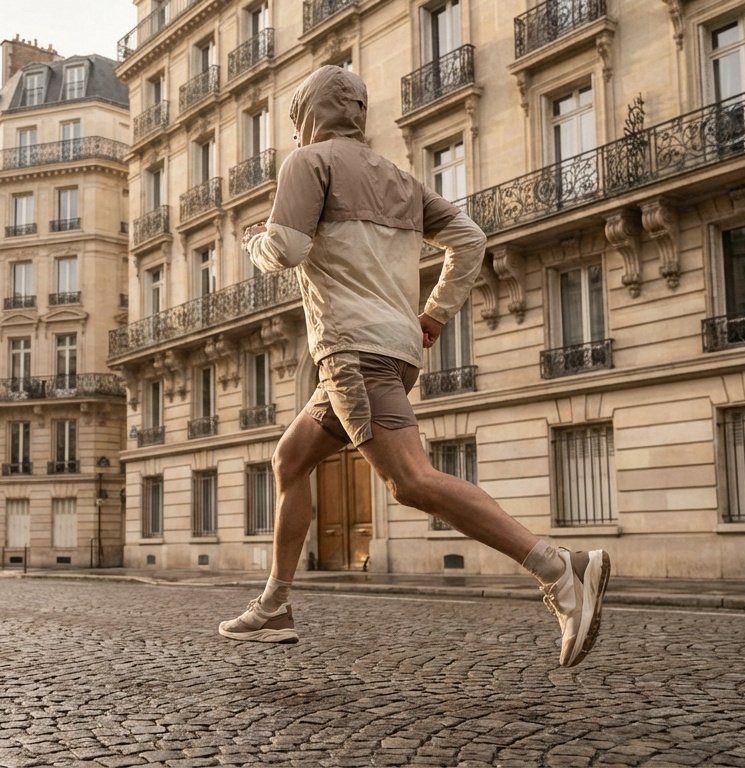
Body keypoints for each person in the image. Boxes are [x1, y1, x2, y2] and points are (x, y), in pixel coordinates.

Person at [218, 65, 611, 668]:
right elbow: (470, 239)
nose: (297, 131)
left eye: (297, 120)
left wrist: (255, 241)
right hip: (391, 350)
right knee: (290, 459)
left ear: (307, 116)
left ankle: (560, 568)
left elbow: (288, 250)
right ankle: (275, 605)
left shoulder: (308, 162)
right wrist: (434, 315)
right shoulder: (401, 180)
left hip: (352, 352)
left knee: (410, 481)